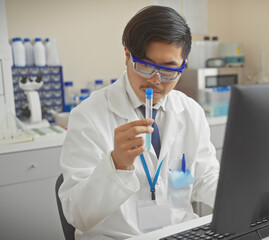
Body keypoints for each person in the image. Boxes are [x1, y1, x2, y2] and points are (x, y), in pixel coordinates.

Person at [59, 5, 220, 239]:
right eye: (145, 66)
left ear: (183, 66)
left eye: (168, 71)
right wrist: (117, 165)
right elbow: (77, 215)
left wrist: (246, 198)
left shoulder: (191, 112)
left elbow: (205, 179)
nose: (155, 81)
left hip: (180, 234)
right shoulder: (88, 116)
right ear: (127, 56)